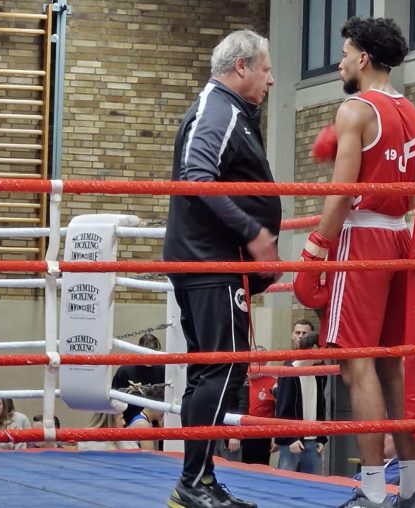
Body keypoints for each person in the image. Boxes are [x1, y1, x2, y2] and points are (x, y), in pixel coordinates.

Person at [291, 17, 415, 508]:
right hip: (401, 237)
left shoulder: (355, 109)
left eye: (346, 53)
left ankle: (372, 489)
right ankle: (411, 486)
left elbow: (343, 192)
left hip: (363, 239)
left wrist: (315, 248)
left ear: (364, 58)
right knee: (391, 364)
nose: (340, 62)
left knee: (357, 363)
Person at [162, 28, 279, 508]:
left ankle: (200, 479)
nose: (271, 80)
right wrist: (253, 233)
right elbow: (196, 175)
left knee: (210, 371)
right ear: (241, 67)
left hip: (207, 259)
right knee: (224, 367)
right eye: (266, 69)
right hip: (209, 262)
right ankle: (193, 482)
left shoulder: (230, 110)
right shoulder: (218, 110)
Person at [273, 333, 327, 475]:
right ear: (315, 348)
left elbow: (321, 406)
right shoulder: (288, 373)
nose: (327, 353)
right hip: (293, 441)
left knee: (313, 484)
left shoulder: (320, 374)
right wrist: (290, 438)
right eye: (324, 349)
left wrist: (321, 438)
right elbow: (283, 408)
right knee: (287, 482)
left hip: (313, 441)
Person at [111, 333, 166, 426]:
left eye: (154, 355)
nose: (151, 359)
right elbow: (114, 400)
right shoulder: (124, 371)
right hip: (128, 423)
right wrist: (120, 423)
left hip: (155, 423)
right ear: (139, 352)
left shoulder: (162, 369)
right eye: (148, 355)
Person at [241, 345, 277, 465]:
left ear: (264, 363)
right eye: (251, 360)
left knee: (259, 468)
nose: (253, 363)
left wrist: (276, 436)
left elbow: (277, 411)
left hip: (261, 435)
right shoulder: (239, 380)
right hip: (239, 432)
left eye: (257, 361)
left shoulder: (273, 383)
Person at [126, 383, 166, 451]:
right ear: (153, 405)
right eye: (163, 407)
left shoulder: (146, 421)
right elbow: (149, 454)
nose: (165, 411)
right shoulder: (143, 424)